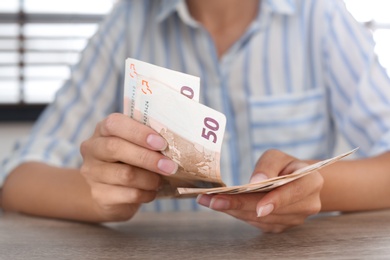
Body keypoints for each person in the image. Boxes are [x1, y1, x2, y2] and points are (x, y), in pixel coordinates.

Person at [1, 0, 390, 233]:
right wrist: (100, 196)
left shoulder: (318, 15)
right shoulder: (129, 21)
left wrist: (312, 186)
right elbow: (16, 178)